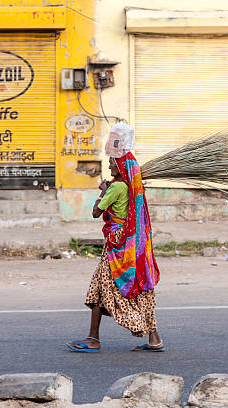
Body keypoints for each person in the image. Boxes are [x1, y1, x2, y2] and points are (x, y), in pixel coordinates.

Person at [67, 124, 164, 353]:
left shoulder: (114, 188)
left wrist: (102, 191)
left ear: (120, 166)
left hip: (117, 244)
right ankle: (154, 337)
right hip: (135, 244)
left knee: (99, 288)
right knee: (142, 288)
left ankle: (93, 339)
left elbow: (95, 213)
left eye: (112, 163)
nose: (109, 166)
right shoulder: (132, 185)